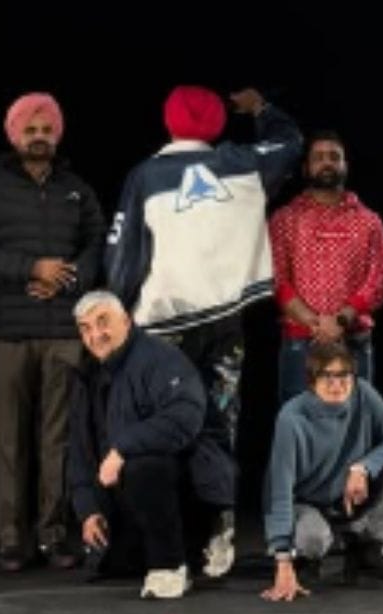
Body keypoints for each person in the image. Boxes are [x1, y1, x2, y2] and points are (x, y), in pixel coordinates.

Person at [104, 85, 303, 577]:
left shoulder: (146, 175)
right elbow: (291, 141)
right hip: (223, 321)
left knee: (163, 426)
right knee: (217, 426)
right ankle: (219, 530)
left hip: (163, 328)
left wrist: (119, 305)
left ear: (169, 122)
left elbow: (124, 253)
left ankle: (166, 542)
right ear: (215, 123)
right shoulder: (243, 163)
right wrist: (261, 109)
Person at [0, 92, 105, 571]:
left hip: (63, 328)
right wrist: (31, 269)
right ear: (14, 134)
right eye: (30, 129)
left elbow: (98, 246)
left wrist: (67, 279)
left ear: (57, 134)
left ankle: (53, 536)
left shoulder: (77, 189)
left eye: (46, 129)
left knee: (58, 439)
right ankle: (11, 540)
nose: (39, 137)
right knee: (9, 440)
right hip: (6, 330)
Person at [67, 292, 236, 599]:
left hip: (191, 484)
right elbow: (79, 448)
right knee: (120, 562)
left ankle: (171, 566)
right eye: (86, 328)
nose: (95, 334)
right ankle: (177, 552)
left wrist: (122, 448)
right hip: (128, 492)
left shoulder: (160, 358)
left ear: (126, 321)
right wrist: (88, 509)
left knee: (143, 464)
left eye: (103, 322)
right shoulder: (88, 373)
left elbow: (184, 418)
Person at [262, 342, 383, 601]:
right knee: (313, 538)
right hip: (308, 503)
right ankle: (306, 561)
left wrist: (363, 467)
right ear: (312, 380)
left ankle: (364, 555)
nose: (337, 385)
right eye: (327, 376)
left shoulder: (363, 393)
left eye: (343, 375)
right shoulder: (291, 417)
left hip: (350, 497)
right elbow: (279, 489)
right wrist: (282, 559)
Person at [268, 130, 383, 403]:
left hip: (353, 340)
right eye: (319, 157)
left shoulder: (369, 221)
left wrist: (341, 320)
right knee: (299, 424)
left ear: (345, 165)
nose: (327, 163)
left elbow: (380, 278)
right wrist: (314, 323)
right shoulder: (285, 219)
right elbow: (277, 279)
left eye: (334, 157)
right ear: (306, 168)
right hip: (300, 342)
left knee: (354, 424)